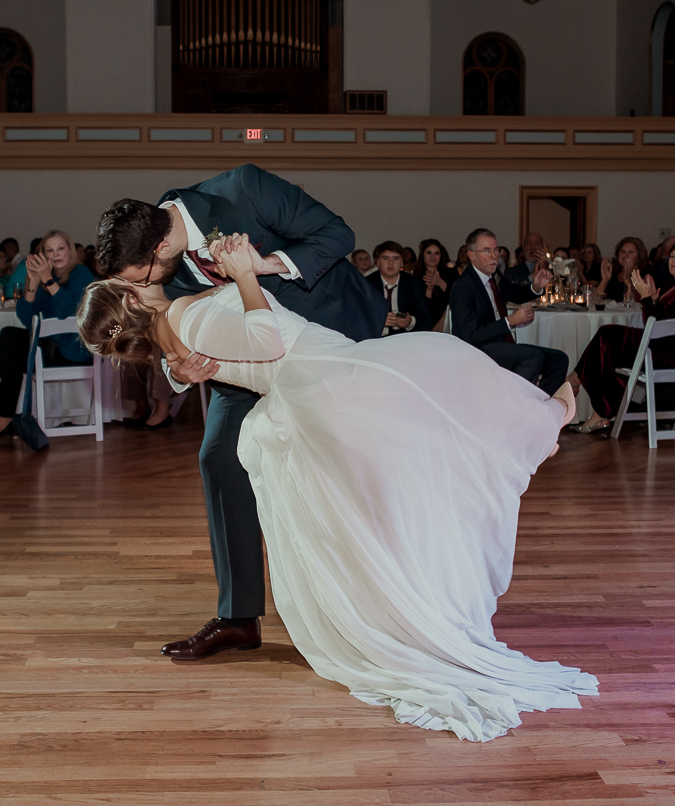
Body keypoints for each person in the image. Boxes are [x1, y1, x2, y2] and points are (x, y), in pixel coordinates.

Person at [76, 232, 595, 741]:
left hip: (320, 380)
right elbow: (266, 341)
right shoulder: (179, 319)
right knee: (442, 385)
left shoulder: (170, 329)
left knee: (426, 430)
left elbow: (196, 349)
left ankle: (524, 439)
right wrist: (244, 277)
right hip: (322, 377)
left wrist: (193, 344)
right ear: (129, 295)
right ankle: (533, 432)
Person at [95, 165, 385, 662]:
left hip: (326, 336)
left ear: (160, 249)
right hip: (245, 364)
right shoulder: (151, 263)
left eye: (137, 279)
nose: (136, 291)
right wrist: (178, 371)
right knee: (219, 458)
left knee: (342, 470)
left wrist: (262, 265)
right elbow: (162, 322)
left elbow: (337, 234)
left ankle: (369, 604)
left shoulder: (243, 190)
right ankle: (237, 618)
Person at [0, 230, 99, 441]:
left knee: (12, 343)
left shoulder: (81, 273)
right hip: (50, 348)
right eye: (50, 250)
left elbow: (68, 312)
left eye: (60, 248)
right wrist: (32, 285)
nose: (56, 254)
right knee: (12, 346)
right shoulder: (46, 278)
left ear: (69, 250)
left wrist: (48, 280)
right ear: (44, 255)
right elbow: (26, 318)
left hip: (74, 350)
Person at [568, 239, 675, 433]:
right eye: (672, 256)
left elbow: (657, 327)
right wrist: (652, 300)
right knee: (607, 338)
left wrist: (646, 298)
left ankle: (585, 391)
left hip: (669, 357)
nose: (674, 261)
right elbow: (659, 322)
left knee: (607, 337)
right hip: (664, 351)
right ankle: (596, 404)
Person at [449, 228, 568, 393]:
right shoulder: (463, 285)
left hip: (499, 344)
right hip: (477, 348)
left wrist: (535, 287)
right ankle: (515, 403)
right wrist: (510, 321)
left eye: (496, 250)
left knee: (559, 359)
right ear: (471, 255)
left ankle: (540, 404)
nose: (494, 256)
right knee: (533, 356)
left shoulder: (493, 275)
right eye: (486, 251)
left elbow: (514, 293)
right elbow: (471, 335)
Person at [366, 241, 431, 336]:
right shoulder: (367, 284)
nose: (390, 263)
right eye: (385, 258)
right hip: (376, 338)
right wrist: (379, 322)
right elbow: (359, 318)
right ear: (378, 262)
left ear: (402, 263)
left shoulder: (413, 284)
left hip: (406, 338)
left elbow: (426, 320)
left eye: (396, 259)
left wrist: (410, 321)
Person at [416, 238, 458, 327]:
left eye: (436, 253)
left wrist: (440, 282)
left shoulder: (451, 273)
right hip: (427, 322)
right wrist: (429, 290)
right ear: (422, 254)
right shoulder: (416, 277)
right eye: (429, 253)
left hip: (450, 320)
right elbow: (420, 308)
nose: (433, 257)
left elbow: (458, 297)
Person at [598, 237, 649, 302]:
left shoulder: (645, 275)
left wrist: (627, 280)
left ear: (639, 257)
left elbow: (639, 303)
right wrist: (604, 280)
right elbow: (595, 300)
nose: (625, 255)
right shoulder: (613, 273)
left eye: (631, 252)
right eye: (622, 251)